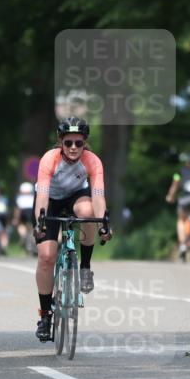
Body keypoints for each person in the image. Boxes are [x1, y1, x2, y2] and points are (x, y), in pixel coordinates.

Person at [33, 117, 111, 342]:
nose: (74, 147)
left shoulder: (92, 161)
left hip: (77, 197)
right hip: (51, 199)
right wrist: (41, 222)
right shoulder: (50, 159)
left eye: (79, 142)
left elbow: (97, 196)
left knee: (88, 213)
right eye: (68, 143)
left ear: (85, 142)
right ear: (61, 142)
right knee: (46, 257)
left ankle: (85, 266)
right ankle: (45, 316)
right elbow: (43, 195)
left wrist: (103, 222)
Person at [14, 181, 37, 255]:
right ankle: (33, 242)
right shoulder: (33, 196)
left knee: (21, 225)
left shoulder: (19, 198)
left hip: (23, 211)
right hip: (31, 210)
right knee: (33, 227)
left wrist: (16, 219)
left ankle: (23, 236)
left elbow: (17, 209)